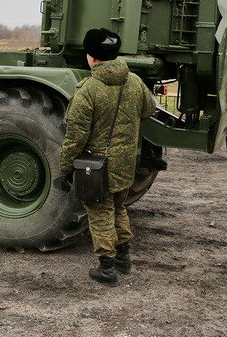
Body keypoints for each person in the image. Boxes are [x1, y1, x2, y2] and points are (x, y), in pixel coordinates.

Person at [60, 28, 156, 286]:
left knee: (99, 213)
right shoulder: (134, 81)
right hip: (125, 162)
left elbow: (75, 136)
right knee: (118, 208)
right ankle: (124, 258)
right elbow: (149, 109)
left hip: (97, 165)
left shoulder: (89, 89)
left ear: (91, 57)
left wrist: (65, 167)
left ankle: (107, 268)